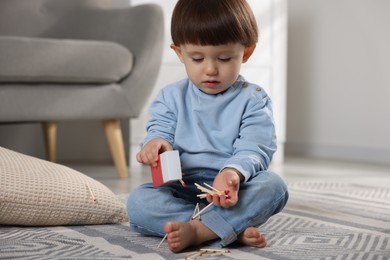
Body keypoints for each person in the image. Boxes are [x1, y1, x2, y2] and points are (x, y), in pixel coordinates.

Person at [127, 0, 289, 253]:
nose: (211, 69)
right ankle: (225, 229)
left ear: (245, 53)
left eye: (224, 58)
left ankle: (200, 230)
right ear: (180, 53)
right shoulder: (171, 96)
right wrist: (156, 144)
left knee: (273, 186)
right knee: (138, 202)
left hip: (231, 192)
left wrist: (232, 174)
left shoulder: (254, 100)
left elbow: (255, 147)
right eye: (197, 58)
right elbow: (160, 130)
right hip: (181, 188)